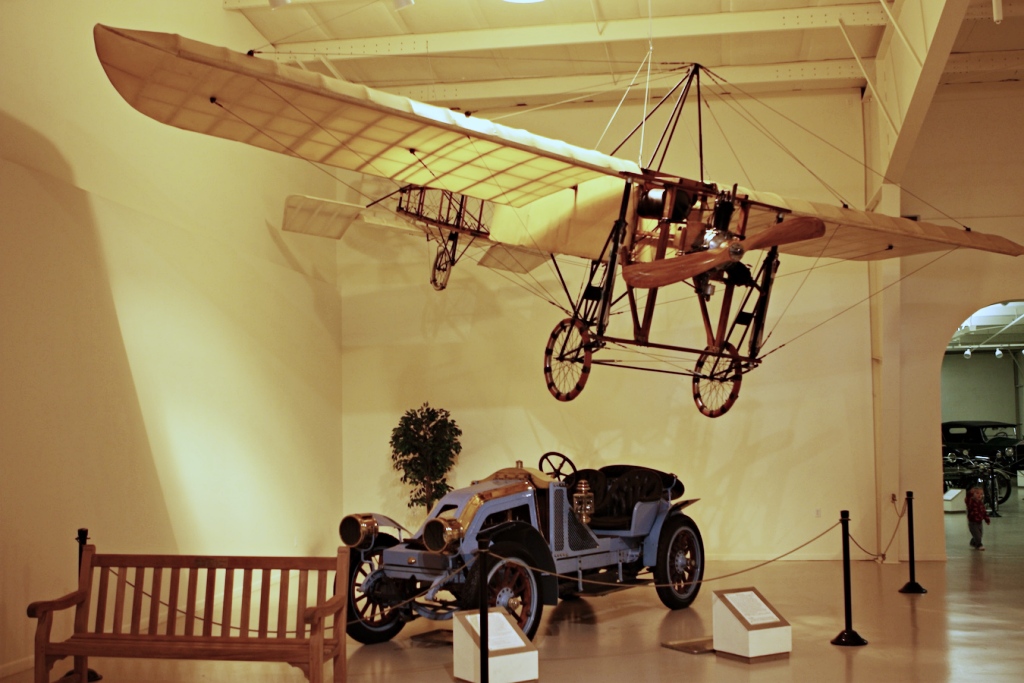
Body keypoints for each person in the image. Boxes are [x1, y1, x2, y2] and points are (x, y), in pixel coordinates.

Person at [966, 484, 991, 550]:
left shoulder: (981, 503)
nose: (979, 495)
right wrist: (969, 493)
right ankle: (979, 545)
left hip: (979, 522)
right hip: (973, 522)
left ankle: (973, 542)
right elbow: (967, 498)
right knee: (977, 535)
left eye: (981, 494)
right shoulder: (970, 502)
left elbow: (984, 512)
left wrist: (987, 519)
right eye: (977, 493)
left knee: (980, 534)